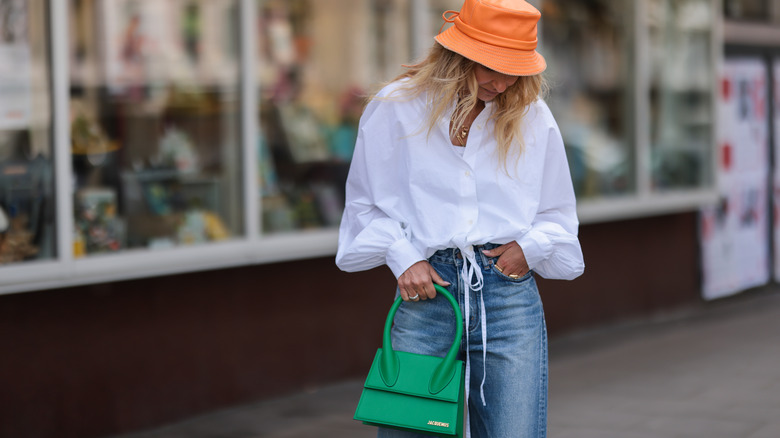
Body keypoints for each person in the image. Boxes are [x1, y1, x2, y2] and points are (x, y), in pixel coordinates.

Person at [336, 0, 584, 437]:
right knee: (412, 431)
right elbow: (363, 202)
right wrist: (403, 257)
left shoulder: (532, 116)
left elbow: (557, 212)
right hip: (428, 296)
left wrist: (530, 249)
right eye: (491, 65)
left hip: (508, 299)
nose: (503, 80)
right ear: (458, 55)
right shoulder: (397, 107)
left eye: (515, 69)